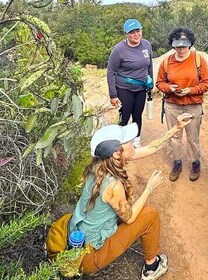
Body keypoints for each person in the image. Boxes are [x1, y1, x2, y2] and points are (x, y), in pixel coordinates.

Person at [68, 113, 194, 279]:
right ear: (116, 152)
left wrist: (176, 128)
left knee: (129, 208)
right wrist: (149, 188)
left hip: (80, 242)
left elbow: (151, 148)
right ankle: (152, 267)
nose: (134, 142)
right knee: (150, 215)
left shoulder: (99, 165)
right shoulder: (113, 185)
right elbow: (129, 218)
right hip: (91, 257)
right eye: (128, 141)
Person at [156, 27, 208, 182]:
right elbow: (159, 82)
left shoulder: (199, 60)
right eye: (178, 46)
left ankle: (195, 163)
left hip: (193, 104)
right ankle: (177, 163)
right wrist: (169, 88)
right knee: (174, 136)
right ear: (173, 45)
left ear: (190, 44)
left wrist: (191, 90)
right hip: (172, 105)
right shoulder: (167, 62)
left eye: (184, 45)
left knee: (193, 137)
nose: (181, 49)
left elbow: (206, 83)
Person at [107, 19, 154, 147]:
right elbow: (111, 72)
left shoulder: (147, 45)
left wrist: (151, 83)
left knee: (137, 115)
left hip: (141, 88)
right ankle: (119, 142)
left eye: (138, 31)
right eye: (132, 32)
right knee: (125, 115)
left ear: (141, 30)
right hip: (124, 88)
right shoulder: (119, 50)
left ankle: (136, 139)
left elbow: (149, 65)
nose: (136, 35)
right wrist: (113, 95)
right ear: (126, 34)